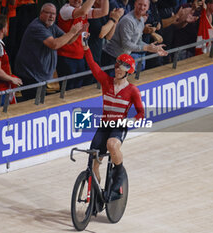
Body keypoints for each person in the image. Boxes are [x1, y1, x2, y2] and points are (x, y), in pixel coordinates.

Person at [83, 37, 145, 200]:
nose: (118, 69)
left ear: (128, 71)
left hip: (119, 126)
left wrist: (129, 121)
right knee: (93, 161)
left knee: (111, 144)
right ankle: (95, 195)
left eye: (122, 67)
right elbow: (93, 66)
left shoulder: (132, 90)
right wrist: (86, 47)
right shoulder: (106, 82)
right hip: (105, 125)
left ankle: (119, 174)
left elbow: (141, 114)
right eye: (117, 66)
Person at [15, 3, 83, 100]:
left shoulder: (52, 26)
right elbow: (54, 44)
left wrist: (77, 33)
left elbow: (67, 40)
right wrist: (72, 32)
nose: (51, 16)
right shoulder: (37, 27)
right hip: (31, 75)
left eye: (54, 14)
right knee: (33, 104)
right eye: (48, 13)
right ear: (41, 13)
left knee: (40, 102)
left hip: (41, 76)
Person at [102, 0, 168, 76]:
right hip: (111, 57)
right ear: (135, 4)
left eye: (145, 5)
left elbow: (138, 41)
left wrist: (153, 48)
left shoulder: (141, 20)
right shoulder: (128, 20)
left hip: (122, 58)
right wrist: (146, 48)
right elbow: (126, 44)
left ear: (148, 8)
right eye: (140, 4)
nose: (142, 7)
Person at [56, 0, 109, 90]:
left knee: (79, 89)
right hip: (67, 58)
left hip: (80, 57)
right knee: (68, 90)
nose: (77, 0)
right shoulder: (66, 10)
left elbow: (104, 12)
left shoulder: (82, 9)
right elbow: (83, 11)